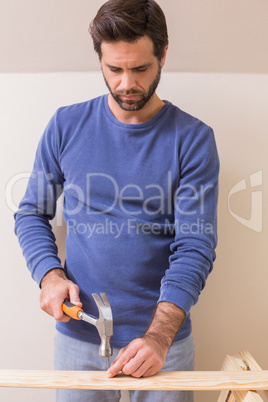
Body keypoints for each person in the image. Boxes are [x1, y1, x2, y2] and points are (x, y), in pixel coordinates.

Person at [14, 0, 219, 401]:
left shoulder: (193, 139)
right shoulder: (65, 125)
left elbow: (195, 245)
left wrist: (158, 338)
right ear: (101, 61)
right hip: (79, 337)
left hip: (164, 342)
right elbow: (32, 212)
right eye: (115, 69)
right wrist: (49, 274)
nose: (127, 83)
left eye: (140, 69)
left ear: (163, 55)